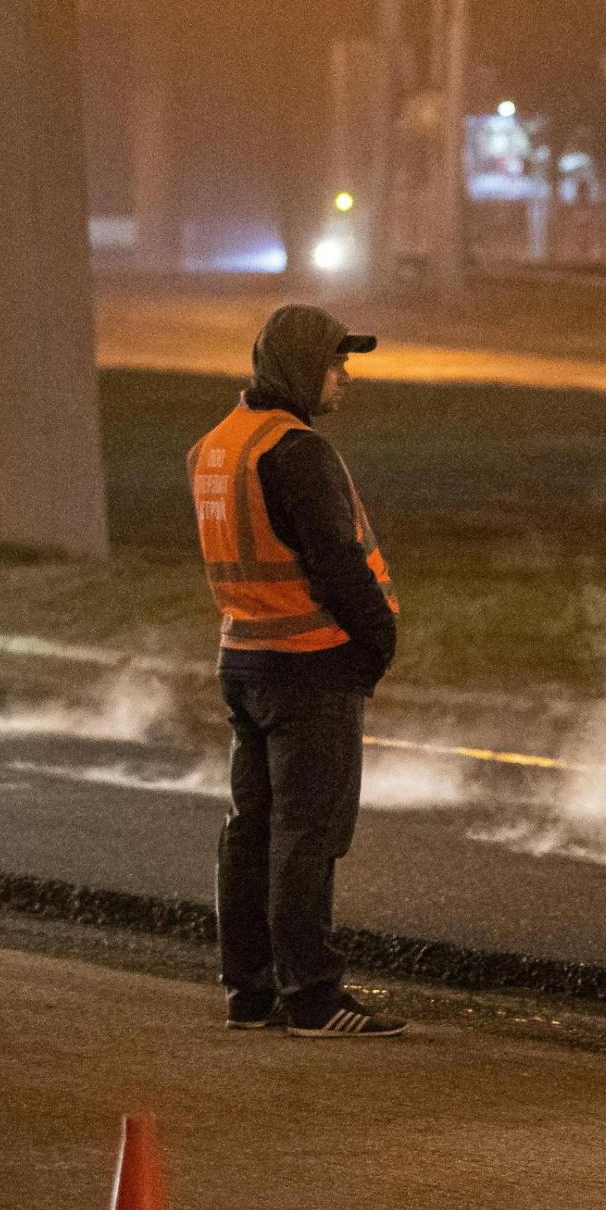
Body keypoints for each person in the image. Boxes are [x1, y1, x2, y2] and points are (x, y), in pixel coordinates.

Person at [189, 304, 406, 1038]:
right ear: (300, 368)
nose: (343, 377)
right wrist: (378, 640)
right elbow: (336, 562)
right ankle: (312, 996)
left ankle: (248, 992)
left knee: (250, 830)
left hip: (243, 657)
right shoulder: (295, 449)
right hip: (310, 665)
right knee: (307, 835)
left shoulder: (217, 447)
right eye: (335, 364)